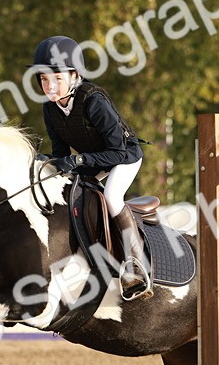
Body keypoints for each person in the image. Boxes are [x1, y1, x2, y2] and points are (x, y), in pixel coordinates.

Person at [30, 35, 152, 301]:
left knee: (111, 197)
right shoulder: (50, 109)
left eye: (57, 79)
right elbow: (61, 152)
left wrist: (80, 161)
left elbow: (117, 151)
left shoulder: (93, 101)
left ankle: (136, 264)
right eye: (44, 80)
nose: (50, 87)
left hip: (124, 157)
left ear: (74, 76)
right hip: (93, 160)